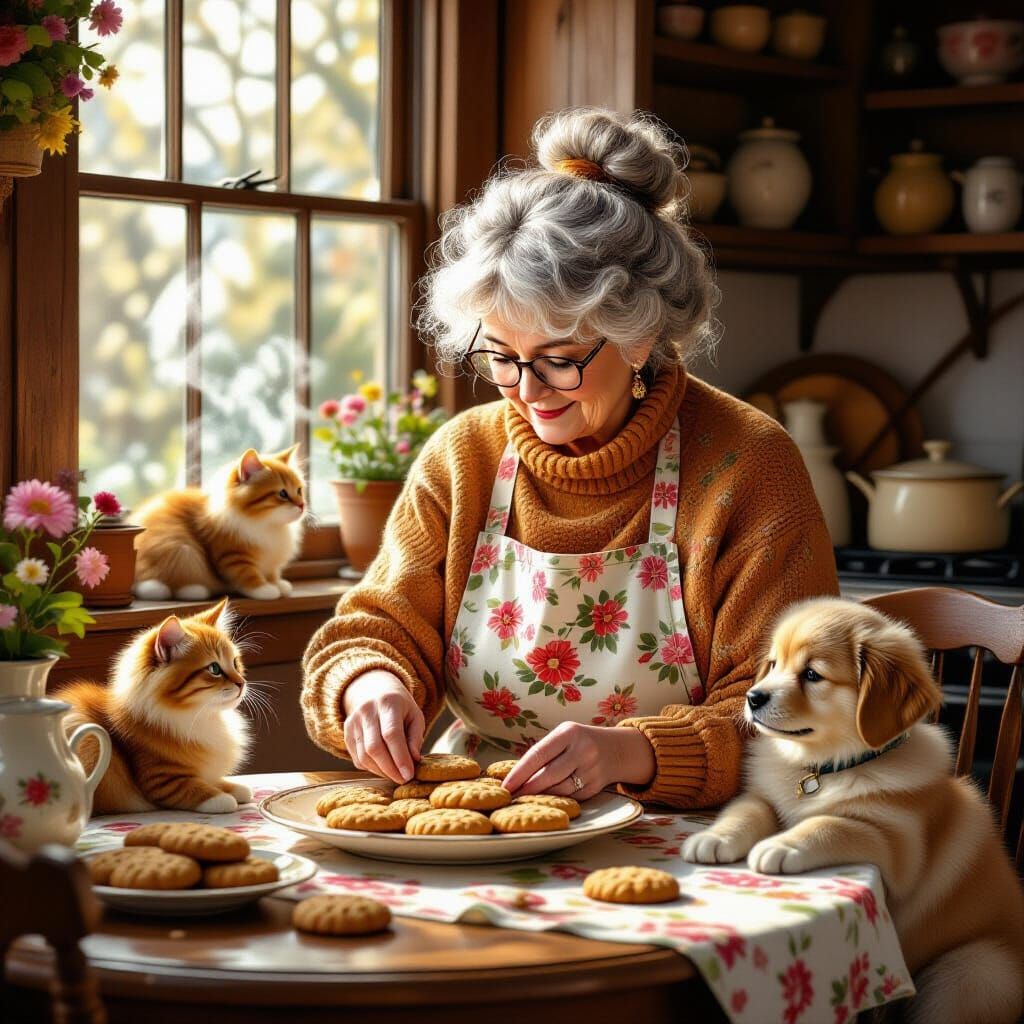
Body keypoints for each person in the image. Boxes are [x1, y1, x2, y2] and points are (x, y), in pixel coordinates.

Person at [301, 106, 839, 809]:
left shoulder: (748, 466)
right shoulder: (464, 458)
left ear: (639, 335)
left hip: (694, 836)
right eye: (500, 356)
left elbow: (799, 712)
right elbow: (378, 626)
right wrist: (369, 682)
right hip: (487, 824)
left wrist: (636, 753)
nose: (525, 392)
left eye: (559, 360)